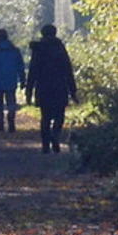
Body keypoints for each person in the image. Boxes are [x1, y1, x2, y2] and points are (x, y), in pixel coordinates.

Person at [25, 22, 78, 153]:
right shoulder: (59, 48)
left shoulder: (38, 49)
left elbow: (33, 71)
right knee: (60, 115)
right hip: (60, 86)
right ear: (55, 33)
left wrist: (29, 91)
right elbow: (68, 70)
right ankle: (55, 135)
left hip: (43, 87)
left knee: (46, 117)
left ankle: (45, 144)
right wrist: (73, 91)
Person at [0, 28, 26, 133]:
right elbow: (20, 66)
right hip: (11, 80)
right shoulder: (15, 50)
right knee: (11, 103)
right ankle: (11, 122)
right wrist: (23, 79)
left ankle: (0, 124)